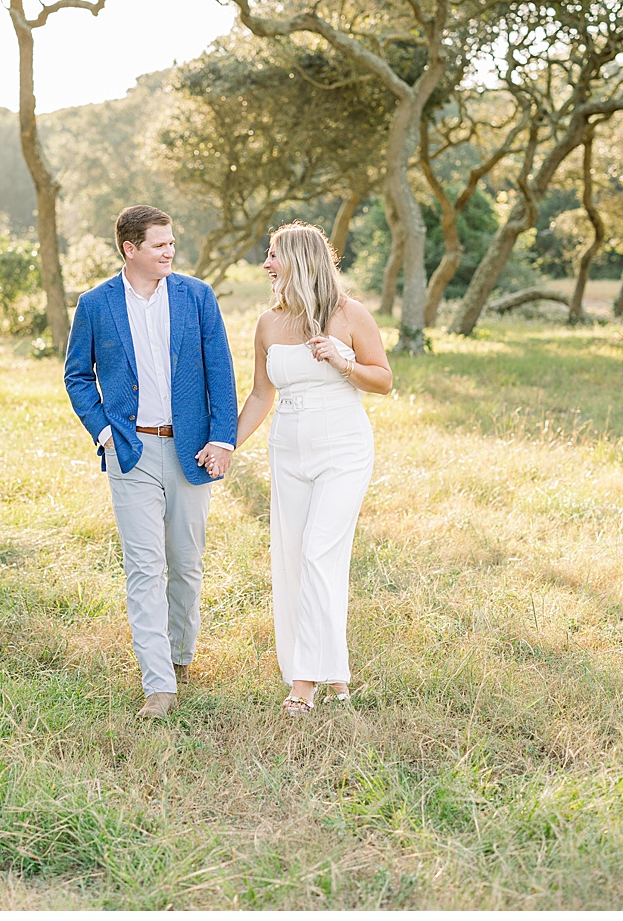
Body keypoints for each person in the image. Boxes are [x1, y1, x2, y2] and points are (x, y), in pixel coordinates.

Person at [63, 205, 239, 719]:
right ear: (130, 249)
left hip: (191, 449)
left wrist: (223, 439)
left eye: (172, 242)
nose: (170, 251)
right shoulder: (96, 304)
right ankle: (158, 684)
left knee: (185, 564)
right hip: (130, 449)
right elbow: (77, 376)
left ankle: (180, 656)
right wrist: (103, 433)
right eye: (160, 244)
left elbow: (220, 371)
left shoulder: (196, 297)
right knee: (144, 566)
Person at [232, 222, 391, 715]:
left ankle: (303, 685)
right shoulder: (267, 323)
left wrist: (342, 362)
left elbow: (383, 380)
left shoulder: (349, 314)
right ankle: (336, 675)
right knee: (295, 561)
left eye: (273, 254)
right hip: (289, 450)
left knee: (320, 555)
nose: (266, 264)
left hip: (342, 450)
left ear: (299, 260)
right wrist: (226, 447)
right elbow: (262, 394)